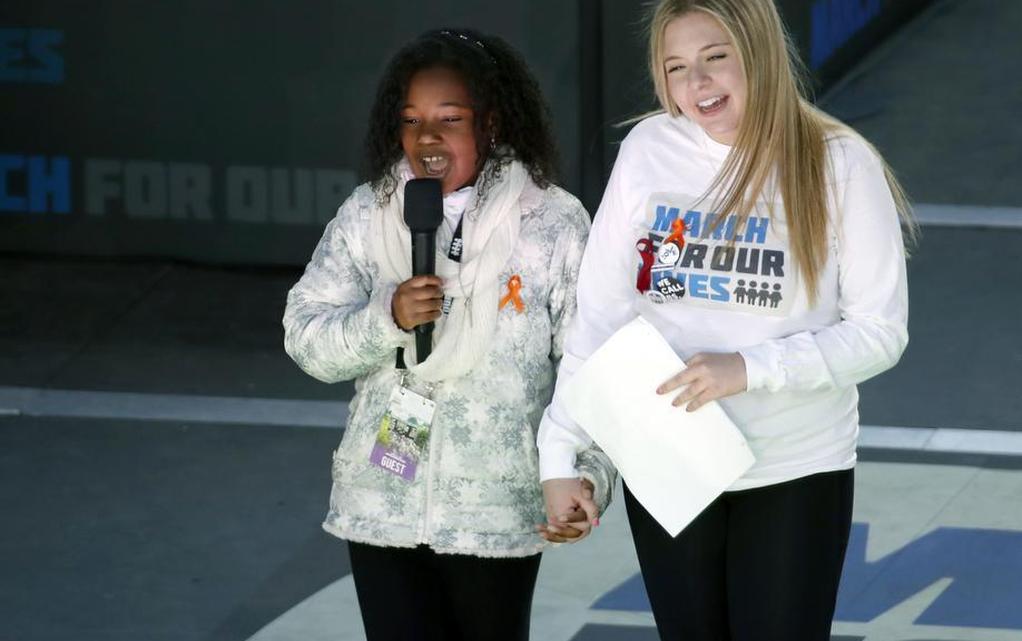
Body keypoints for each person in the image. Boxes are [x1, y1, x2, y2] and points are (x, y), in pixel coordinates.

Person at [537, 0, 916, 639]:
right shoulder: (648, 149)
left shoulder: (840, 162)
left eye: (717, 59)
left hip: (796, 467)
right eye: (677, 67)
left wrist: (749, 370)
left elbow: (881, 333)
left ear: (759, 54)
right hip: (667, 458)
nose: (698, 84)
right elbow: (599, 312)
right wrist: (558, 451)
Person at [282, 28, 612, 641]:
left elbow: (591, 366)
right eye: (410, 120)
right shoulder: (368, 212)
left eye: (449, 119)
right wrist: (386, 318)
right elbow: (305, 338)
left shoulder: (553, 222)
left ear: (491, 123)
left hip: (497, 507)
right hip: (382, 498)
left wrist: (586, 474)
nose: (426, 137)